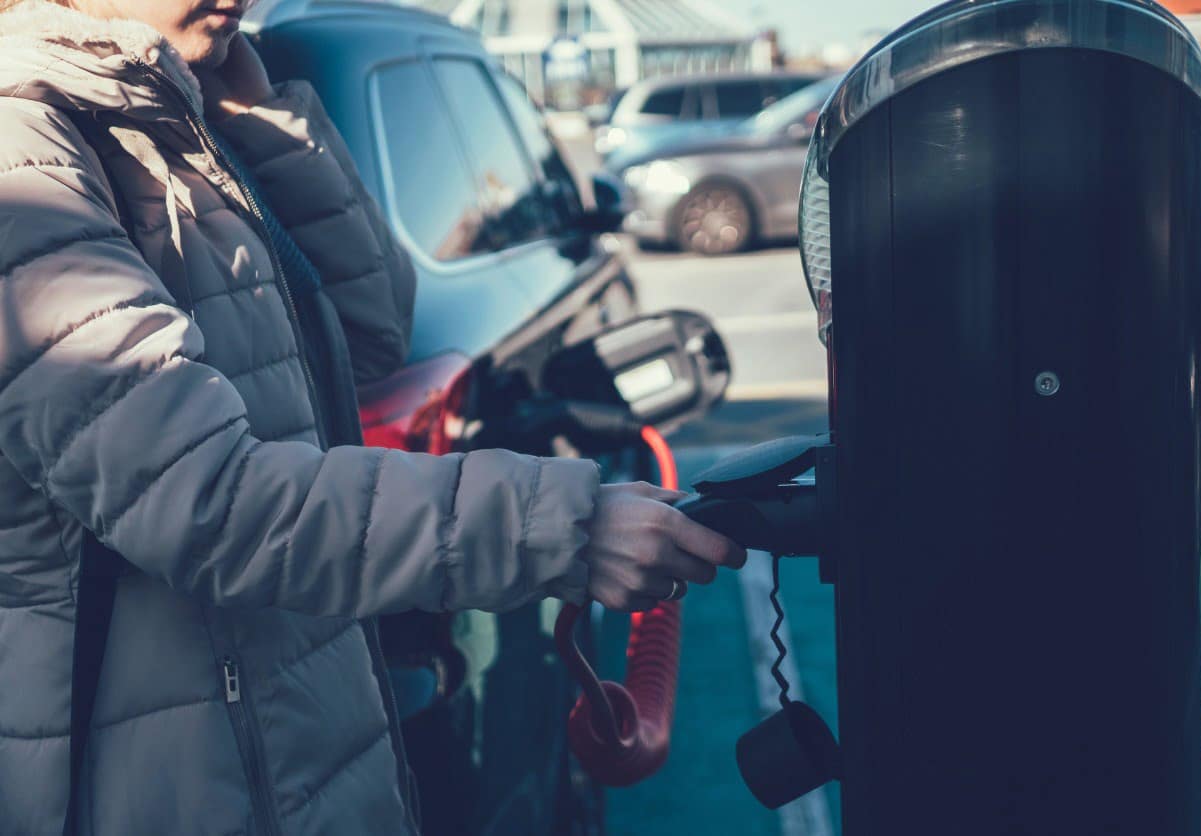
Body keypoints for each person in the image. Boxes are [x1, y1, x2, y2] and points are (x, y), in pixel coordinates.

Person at [0, 1, 747, 833]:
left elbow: (366, 339)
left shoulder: (160, 119)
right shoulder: (22, 158)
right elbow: (209, 502)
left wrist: (258, 114)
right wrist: (562, 527)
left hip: (290, 740)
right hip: (158, 782)